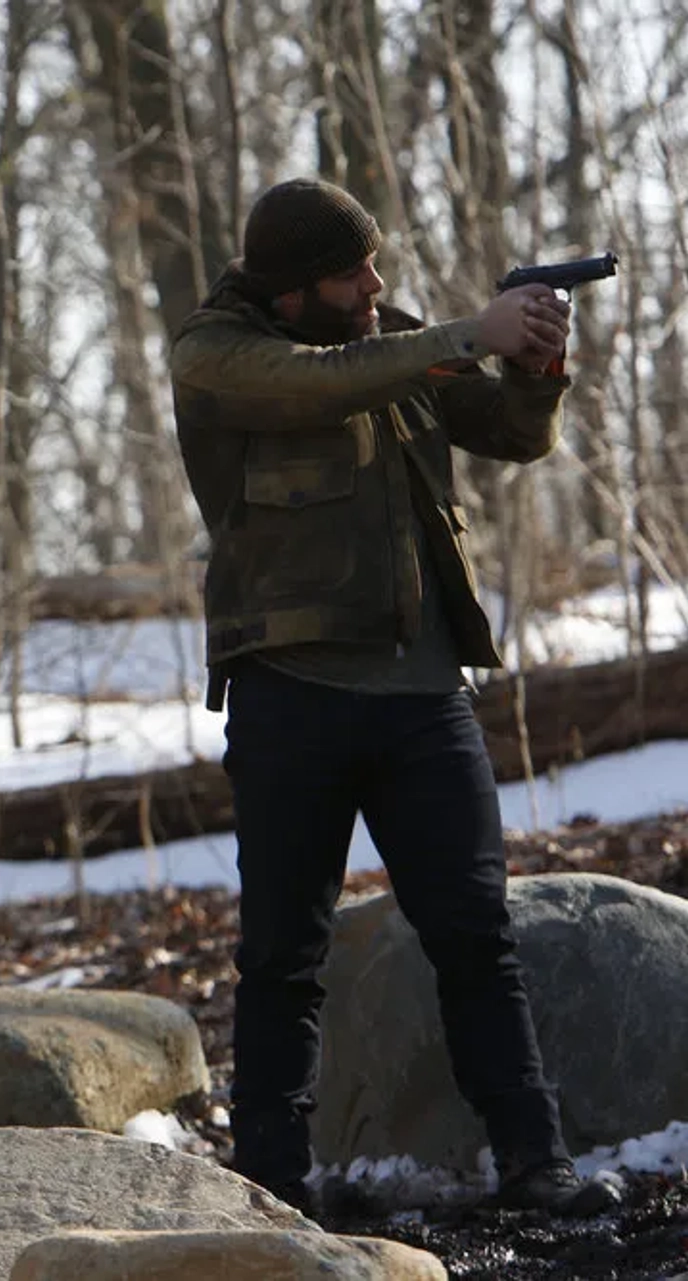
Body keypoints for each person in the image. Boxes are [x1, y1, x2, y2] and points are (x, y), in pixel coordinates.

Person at [169, 177, 620, 1216]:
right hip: (290, 698)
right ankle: (272, 1183)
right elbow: (317, 383)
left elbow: (512, 434)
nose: (376, 283)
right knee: (284, 953)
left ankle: (534, 1160)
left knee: (476, 934)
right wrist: (470, 330)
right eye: (351, 271)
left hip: (422, 696)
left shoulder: (399, 337)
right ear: (290, 291)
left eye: (375, 263)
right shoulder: (216, 355)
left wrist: (538, 366)